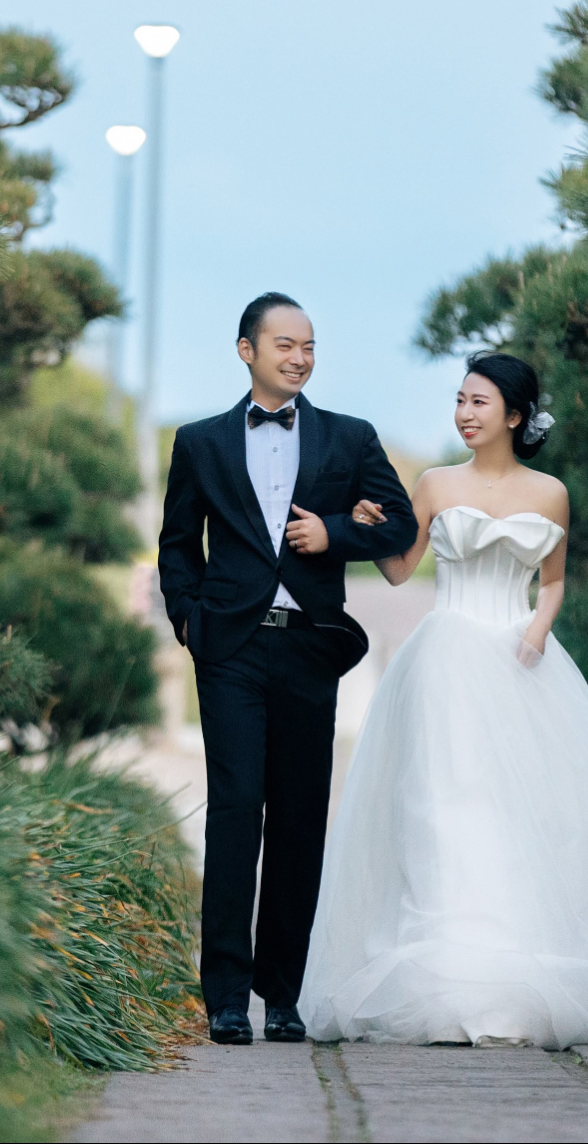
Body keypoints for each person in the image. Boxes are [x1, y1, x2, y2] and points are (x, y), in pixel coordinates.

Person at [297, 351, 588, 1047]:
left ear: (515, 416)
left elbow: (551, 581)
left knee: (533, 813)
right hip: (446, 661)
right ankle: (452, 972)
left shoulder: (550, 493)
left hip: (523, 661)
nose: (464, 413)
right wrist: (371, 528)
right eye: (459, 400)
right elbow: (402, 573)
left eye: (479, 402)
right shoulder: (432, 484)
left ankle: (525, 969)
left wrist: (537, 629)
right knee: (444, 808)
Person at [157, 292, 417, 1045]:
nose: (300, 357)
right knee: (237, 811)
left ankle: (285, 994)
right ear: (247, 351)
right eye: (284, 345)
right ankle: (227, 997)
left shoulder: (350, 438)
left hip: (309, 646)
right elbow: (178, 543)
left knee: (301, 821)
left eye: (309, 346)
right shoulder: (199, 442)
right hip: (229, 647)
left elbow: (400, 525)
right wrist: (187, 618)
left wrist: (332, 532)